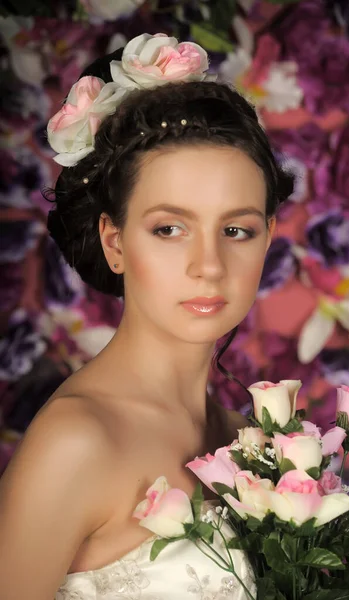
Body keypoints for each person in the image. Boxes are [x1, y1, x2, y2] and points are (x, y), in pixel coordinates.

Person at [0, 33, 293, 599]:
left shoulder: (250, 438)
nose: (208, 266)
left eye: (236, 230)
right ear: (114, 241)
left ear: (268, 238)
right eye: (169, 229)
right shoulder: (76, 443)